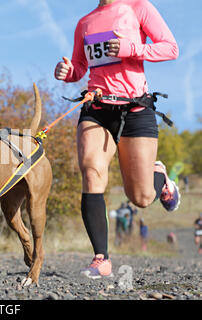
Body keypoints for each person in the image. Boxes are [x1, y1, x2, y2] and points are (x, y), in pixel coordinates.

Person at [54, 0, 180, 279]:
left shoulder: (138, 7)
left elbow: (171, 47)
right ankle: (102, 259)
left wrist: (131, 48)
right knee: (91, 170)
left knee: (142, 198)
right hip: (96, 108)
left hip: (134, 108)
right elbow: (79, 66)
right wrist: (67, 72)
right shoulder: (85, 22)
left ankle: (160, 176)